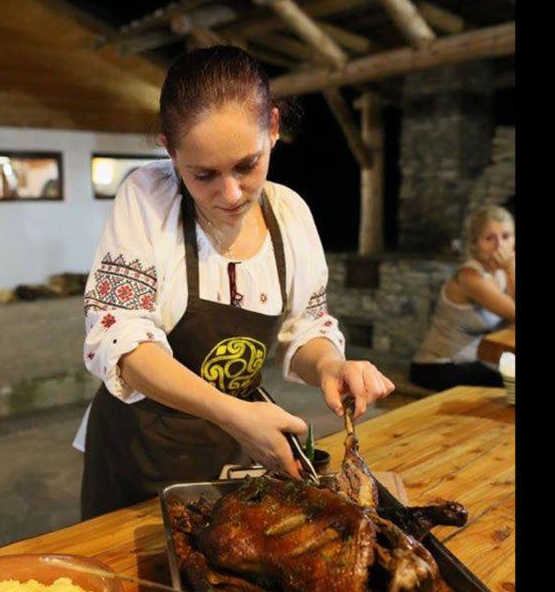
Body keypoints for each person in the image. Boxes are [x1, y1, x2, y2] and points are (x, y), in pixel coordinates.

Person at [75, 47, 394, 520]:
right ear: (169, 149)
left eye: (247, 165)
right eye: (203, 175)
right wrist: (235, 414)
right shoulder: (148, 199)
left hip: (230, 446)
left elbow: (302, 328)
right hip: (138, 447)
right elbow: (119, 337)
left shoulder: (291, 216)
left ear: (273, 127)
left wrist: (329, 364)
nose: (230, 194)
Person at [410, 204, 515, 392]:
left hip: (472, 362)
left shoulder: (499, 275)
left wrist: (508, 270)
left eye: (506, 237)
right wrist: (510, 266)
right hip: (437, 366)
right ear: (475, 244)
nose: (500, 245)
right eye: (490, 238)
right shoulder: (470, 277)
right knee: (509, 388)